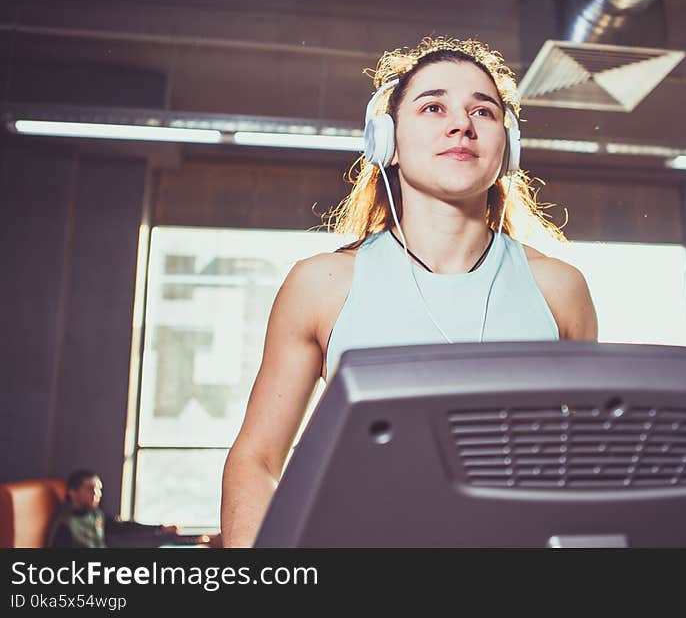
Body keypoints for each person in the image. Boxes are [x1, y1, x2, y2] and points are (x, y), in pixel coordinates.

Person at [221, 36, 599, 547]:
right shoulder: (323, 284)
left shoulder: (559, 288)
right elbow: (257, 460)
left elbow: (589, 467)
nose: (461, 124)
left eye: (482, 112)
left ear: (506, 149)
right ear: (387, 142)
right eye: (434, 106)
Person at [47, 470, 180, 548]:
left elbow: (124, 527)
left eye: (99, 490)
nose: (96, 494)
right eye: (90, 489)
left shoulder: (95, 514)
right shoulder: (65, 525)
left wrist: (159, 529)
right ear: (72, 492)